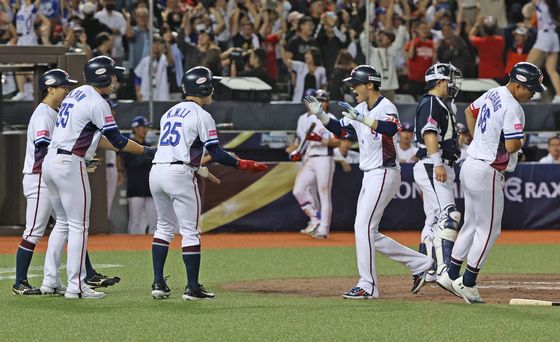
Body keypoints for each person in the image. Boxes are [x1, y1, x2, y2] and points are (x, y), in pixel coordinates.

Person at [304, 65, 433, 299]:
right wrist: (321, 115)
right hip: (370, 173)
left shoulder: (385, 106)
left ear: (370, 85)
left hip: (384, 172)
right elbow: (340, 131)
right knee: (367, 231)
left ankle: (368, 285)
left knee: (363, 227)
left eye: (356, 84)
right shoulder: (361, 107)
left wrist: (363, 119)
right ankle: (421, 264)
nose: (353, 89)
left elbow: (391, 128)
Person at [149, 66, 268, 301]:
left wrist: (199, 168)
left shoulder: (168, 112)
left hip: (156, 171)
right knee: (190, 232)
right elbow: (217, 152)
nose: (214, 89)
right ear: (203, 87)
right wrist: (241, 164)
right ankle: (192, 287)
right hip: (179, 174)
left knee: (163, 228)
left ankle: (158, 283)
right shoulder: (202, 115)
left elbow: (179, 148)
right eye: (211, 85)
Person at [41, 56, 155, 299]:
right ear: (103, 76)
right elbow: (118, 141)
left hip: (52, 161)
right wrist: (148, 151)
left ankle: (50, 281)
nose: (115, 78)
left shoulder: (77, 93)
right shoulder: (98, 102)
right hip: (70, 163)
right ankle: (77, 286)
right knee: (79, 226)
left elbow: (97, 138)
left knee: (62, 223)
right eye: (112, 74)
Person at [438, 62, 546, 304]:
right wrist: (521, 139)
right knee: (489, 230)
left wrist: (480, 140)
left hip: (471, 163)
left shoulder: (494, 92)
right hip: (487, 171)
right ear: (518, 86)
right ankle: (468, 283)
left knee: (471, 224)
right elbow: (511, 146)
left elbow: (469, 111)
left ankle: (451, 274)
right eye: (530, 89)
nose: (533, 93)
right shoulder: (512, 107)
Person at [14, 69, 119, 296]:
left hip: (49, 174)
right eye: (63, 86)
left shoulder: (57, 112)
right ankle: (20, 281)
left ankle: (66, 278)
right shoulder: (43, 114)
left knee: (68, 224)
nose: (67, 90)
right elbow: (43, 147)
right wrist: (65, 164)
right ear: (50, 88)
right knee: (37, 230)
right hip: (38, 177)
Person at [412, 63, 462, 286]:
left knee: (433, 219)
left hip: (434, 163)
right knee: (449, 216)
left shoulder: (438, 102)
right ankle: (443, 270)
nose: (452, 84)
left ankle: (426, 268)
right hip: (433, 163)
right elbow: (429, 133)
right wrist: (438, 163)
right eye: (449, 79)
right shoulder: (431, 101)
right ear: (440, 80)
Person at [286, 89, 340, 239]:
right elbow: (305, 141)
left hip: (325, 157)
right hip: (310, 158)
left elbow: (338, 142)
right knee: (298, 190)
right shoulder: (309, 118)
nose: (320, 103)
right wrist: (297, 152)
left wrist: (320, 140)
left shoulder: (331, 118)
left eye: (323, 100)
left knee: (324, 194)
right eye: (317, 100)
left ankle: (324, 228)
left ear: (328, 103)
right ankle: (315, 218)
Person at [120, 116, 157, 234]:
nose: (145, 130)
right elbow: (131, 164)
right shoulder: (129, 145)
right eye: (143, 127)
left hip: (149, 188)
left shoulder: (148, 144)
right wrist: (148, 155)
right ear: (135, 128)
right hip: (135, 187)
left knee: (154, 223)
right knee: (135, 222)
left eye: (146, 127)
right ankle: (131, 248)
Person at [526, 0, 560, 103]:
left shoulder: (541, 3)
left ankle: (535, 91)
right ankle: (559, 95)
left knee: (527, 65)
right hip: (554, 36)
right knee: (551, 70)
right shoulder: (556, 3)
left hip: (544, 36)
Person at [134, 36, 173, 102]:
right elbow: (137, 78)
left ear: (161, 46)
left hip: (161, 96)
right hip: (146, 95)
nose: (155, 46)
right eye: (154, 43)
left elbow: (170, 62)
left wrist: (167, 47)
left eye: (158, 43)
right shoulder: (145, 61)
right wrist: (138, 93)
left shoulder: (165, 59)